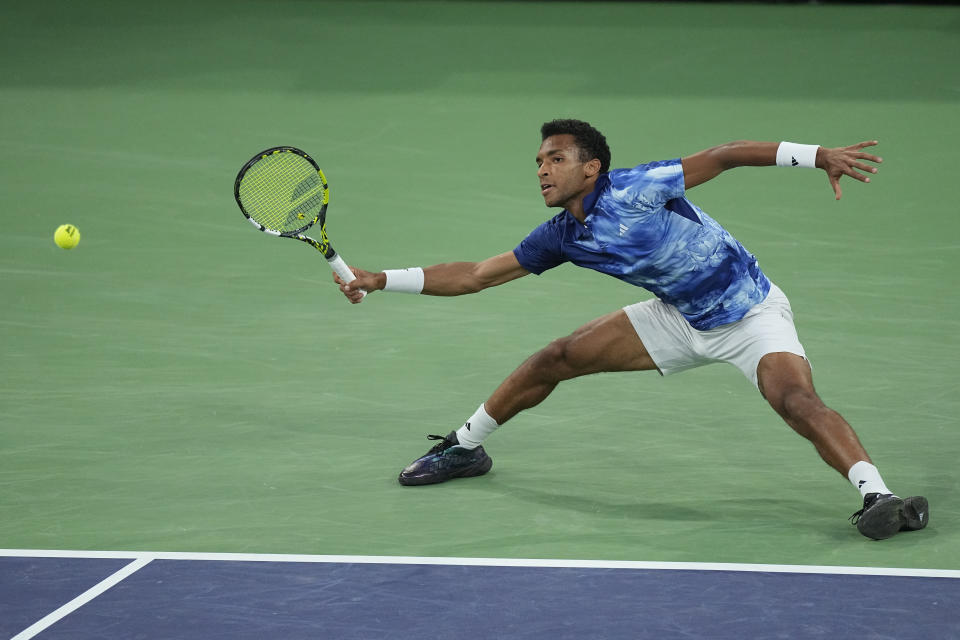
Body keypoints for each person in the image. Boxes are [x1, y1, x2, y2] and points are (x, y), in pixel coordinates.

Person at [334, 119, 928, 541]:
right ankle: (465, 448)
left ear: (591, 168)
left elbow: (723, 155)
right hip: (676, 315)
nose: (542, 169)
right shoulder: (561, 236)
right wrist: (381, 278)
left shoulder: (638, 189)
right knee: (556, 357)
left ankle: (879, 497)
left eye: (555, 159)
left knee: (795, 399)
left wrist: (817, 153)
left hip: (750, 314)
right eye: (539, 161)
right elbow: (475, 275)